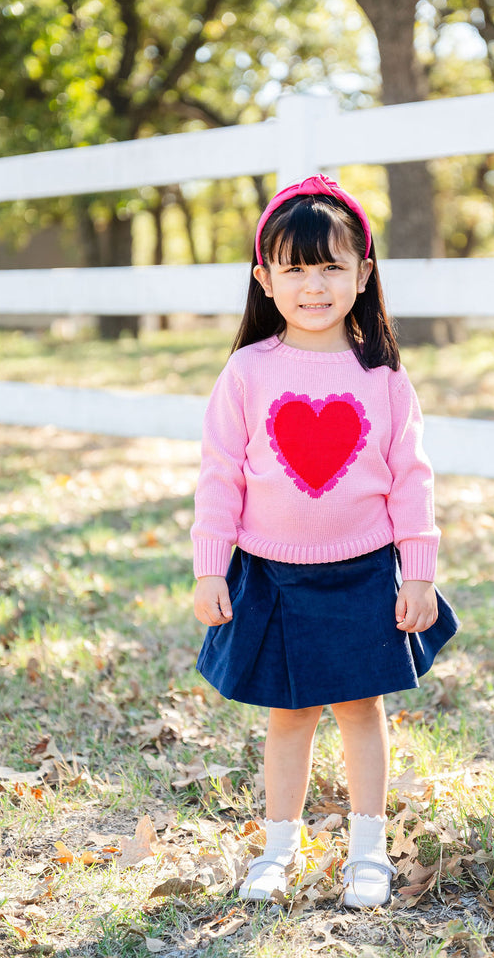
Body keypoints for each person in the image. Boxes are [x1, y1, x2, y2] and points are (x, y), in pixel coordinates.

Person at [191, 173, 458, 908]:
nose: (314, 285)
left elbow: (411, 477)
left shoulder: (383, 374)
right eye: (295, 268)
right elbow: (219, 475)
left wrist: (417, 570)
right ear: (264, 280)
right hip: (272, 574)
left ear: (363, 274)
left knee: (361, 709)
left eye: (332, 267)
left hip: (364, 571)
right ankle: (278, 848)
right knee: (290, 715)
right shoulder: (247, 371)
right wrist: (211, 567)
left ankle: (367, 852)